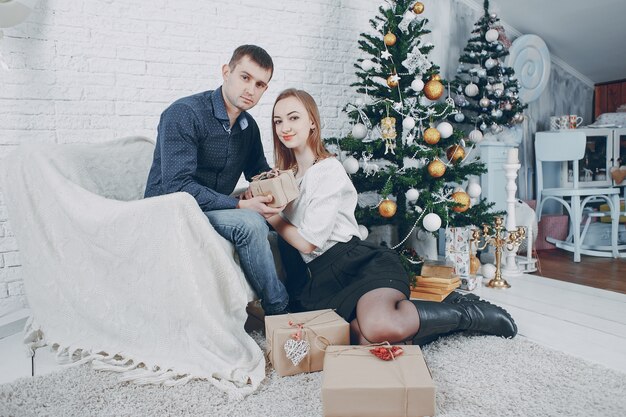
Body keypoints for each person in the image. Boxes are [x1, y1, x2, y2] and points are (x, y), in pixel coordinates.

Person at [267, 88, 517, 345]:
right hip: (320, 282)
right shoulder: (285, 177)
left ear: (312, 122)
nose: (285, 126)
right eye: (278, 121)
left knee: (378, 326)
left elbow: (308, 243)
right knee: (362, 340)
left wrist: (270, 214)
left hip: (356, 264)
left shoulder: (327, 170)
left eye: (293, 118)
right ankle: (421, 319)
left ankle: (464, 312)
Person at [144, 45, 289, 315]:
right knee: (250, 224)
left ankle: (307, 296)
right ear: (226, 72)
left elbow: (258, 171)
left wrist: (279, 186)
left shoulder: (249, 127)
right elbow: (177, 187)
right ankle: (279, 311)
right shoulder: (185, 113)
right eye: (245, 77)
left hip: (213, 208)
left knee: (281, 220)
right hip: (171, 210)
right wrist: (239, 206)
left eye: (259, 84)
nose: (250, 89)